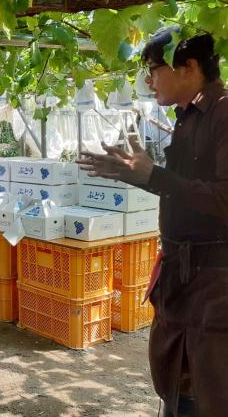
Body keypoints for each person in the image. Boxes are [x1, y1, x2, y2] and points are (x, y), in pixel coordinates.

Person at [78, 29, 227, 417]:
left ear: (188, 68)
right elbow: (188, 193)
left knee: (211, 387)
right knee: (178, 381)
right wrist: (134, 174)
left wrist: (154, 176)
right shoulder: (188, 116)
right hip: (183, 278)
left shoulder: (224, 113)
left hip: (214, 283)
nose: (148, 80)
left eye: (153, 70)